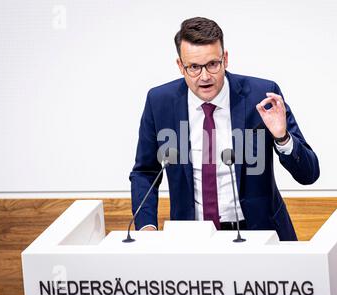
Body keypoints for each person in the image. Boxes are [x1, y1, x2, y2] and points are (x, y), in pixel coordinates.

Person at [129, 17, 319, 241]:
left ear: (225, 59)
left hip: (261, 234)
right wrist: (146, 227)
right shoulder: (159, 101)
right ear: (180, 66)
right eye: (194, 67)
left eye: (212, 64)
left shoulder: (262, 94)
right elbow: (145, 172)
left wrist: (283, 138)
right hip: (192, 239)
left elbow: (309, 175)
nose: (205, 76)